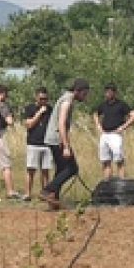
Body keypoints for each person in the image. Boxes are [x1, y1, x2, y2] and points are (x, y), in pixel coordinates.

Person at [41, 78, 91, 210]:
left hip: (54, 138)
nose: (85, 97)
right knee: (72, 168)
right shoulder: (67, 101)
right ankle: (47, 190)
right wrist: (66, 146)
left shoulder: (67, 98)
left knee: (61, 169)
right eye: (84, 94)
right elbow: (61, 123)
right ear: (77, 91)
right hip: (56, 139)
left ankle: (54, 201)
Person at [94, 83, 134, 179]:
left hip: (116, 135)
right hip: (105, 134)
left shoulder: (121, 104)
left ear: (115, 93)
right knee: (105, 161)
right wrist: (98, 125)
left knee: (119, 160)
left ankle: (122, 183)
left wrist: (123, 127)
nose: (108, 94)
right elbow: (95, 114)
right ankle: (107, 183)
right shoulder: (103, 105)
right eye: (106, 91)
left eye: (110, 91)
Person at [21, 87, 53, 200]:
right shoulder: (30, 108)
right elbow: (28, 124)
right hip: (33, 143)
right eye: (41, 98)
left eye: (46, 99)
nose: (44, 101)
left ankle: (45, 193)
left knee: (45, 171)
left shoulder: (50, 109)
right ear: (36, 97)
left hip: (47, 144)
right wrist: (39, 113)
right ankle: (27, 194)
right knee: (31, 170)